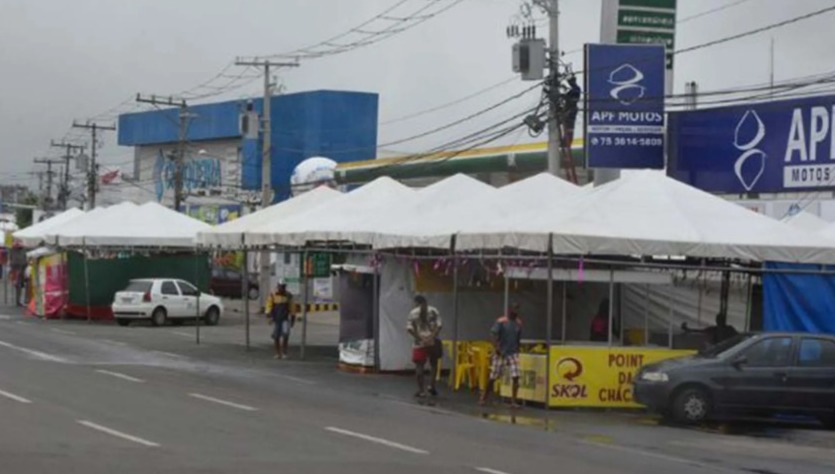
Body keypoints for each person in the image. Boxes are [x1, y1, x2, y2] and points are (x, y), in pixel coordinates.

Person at [479, 302, 523, 408]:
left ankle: (513, 401)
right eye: (514, 309)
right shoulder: (501, 321)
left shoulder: (518, 323)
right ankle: (484, 397)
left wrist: (518, 349)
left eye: (517, 309)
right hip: (501, 352)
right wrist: (496, 347)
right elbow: (492, 334)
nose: (515, 311)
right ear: (509, 310)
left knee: (516, 376)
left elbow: (518, 338)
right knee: (493, 376)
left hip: (513, 353)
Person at [406, 295, 443, 398]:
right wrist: (431, 337)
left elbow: (409, 329)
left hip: (419, 343)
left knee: (419, 366)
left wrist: (420, 338)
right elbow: (439, 326)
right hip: (433, 342)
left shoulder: (413, 313)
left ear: (416, 303)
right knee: (434, 364)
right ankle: (432, 386)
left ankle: (421, 390)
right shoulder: (434, 310)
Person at [265, 280, 296, 359]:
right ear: (278, 286)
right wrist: (268, 315)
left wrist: (293, 318)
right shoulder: (273, 294)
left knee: (285, 335)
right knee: (276, 336)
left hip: (285, 319)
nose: (282, 288)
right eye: (280, 286)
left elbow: (292, 307)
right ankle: (277, 353)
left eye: (283, 286)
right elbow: (269, 305)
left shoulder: (288, 295)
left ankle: (284, 352)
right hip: (276, 319)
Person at [562, 75, 582, 148]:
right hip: (568, 109)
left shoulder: (576, 89)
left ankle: (568, 142)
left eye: (570, 82)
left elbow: (571, 99)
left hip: (571, 110)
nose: (569, 83)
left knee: (569, 127)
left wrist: (564, 95)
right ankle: (565, 141)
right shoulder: (573, 89)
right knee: (566, 126)